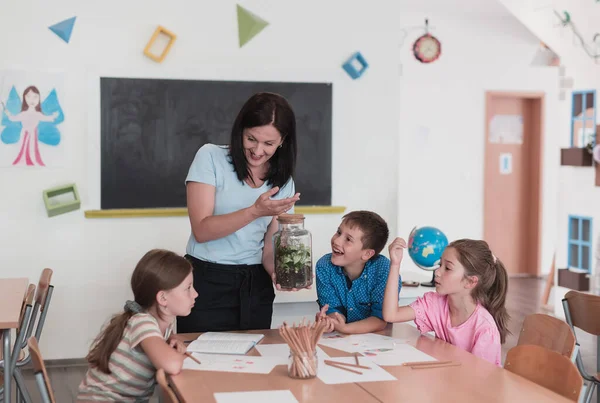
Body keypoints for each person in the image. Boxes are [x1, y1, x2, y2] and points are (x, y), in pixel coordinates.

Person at [177, 92, 301, 334]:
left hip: (255, 286)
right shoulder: (210, 157)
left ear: (283, 141)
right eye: (251, 139)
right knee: (201, 365)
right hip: (206, 281)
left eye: (269, 144)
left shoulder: (283, 181)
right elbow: (202, 230)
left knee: (253, 364)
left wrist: (276, 271)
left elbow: (268, 248)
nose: (257, 150)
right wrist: (254, 211)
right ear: (240, 130)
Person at [77, 249, 198, 402]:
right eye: (188, 288)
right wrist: (176, 355)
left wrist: (171, 343)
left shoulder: (161, 323)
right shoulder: (143, 323)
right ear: (163, 298)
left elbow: (163, 348)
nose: (195, 294)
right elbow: (172, 365)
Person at [382, 238, 510, 367]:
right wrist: (395, 265)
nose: (437, 272)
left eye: (447, 268)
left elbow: (479, 379)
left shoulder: (485, 328)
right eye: (440, 265)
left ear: (470, 282)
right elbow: (391, 315)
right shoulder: (434, 303)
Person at [314, 211, 402, 334]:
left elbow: (380, 319)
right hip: (343, 340)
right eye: (339, 232)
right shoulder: (324, 266)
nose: (337, 241)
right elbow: (333, 310)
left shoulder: (384, 270)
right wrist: (332, 320)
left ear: (367, 254)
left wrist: (345, 329)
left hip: (378, 339)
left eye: (348, 239)